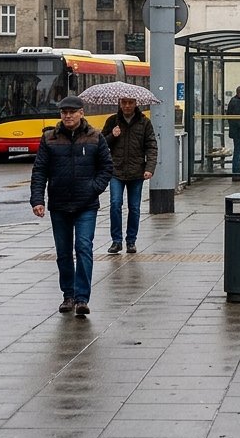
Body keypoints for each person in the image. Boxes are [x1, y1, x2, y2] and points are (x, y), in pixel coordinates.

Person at [30, 96, 113, 318]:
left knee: (84, 247)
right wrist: (37, 199)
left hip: (86, 204)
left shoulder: (95, 137)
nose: (68, 115)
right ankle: (68, 294)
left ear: (81, 113)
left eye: (72, 112)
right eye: (64, 112)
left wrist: (94, 188)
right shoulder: (50, 138)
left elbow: (107, 167)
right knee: (63, 252)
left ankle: (82, 298)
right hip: (59, 203)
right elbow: (39, 171)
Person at [102, 96, 158, 255]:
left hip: (136, 172)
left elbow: (151, 146)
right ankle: (116, 241)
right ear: (120, 104)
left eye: (130, 103)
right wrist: (112, 135)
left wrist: (150, 168)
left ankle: (131, 241)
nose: (127, 106)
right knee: (115, 204)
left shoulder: (144, 122)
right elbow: (101, 144)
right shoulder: (112, 121)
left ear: (135, 104)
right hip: (116, 171)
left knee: (134, 207)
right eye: (124, 102)